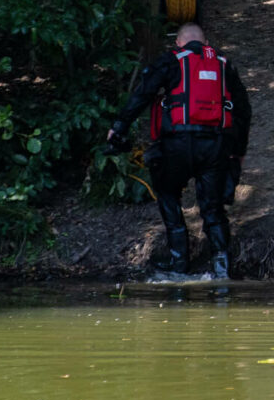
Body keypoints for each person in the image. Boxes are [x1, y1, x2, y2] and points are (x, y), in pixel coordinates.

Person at [106, 23, 252, 277]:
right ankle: (221, 266)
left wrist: (119, 127)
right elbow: (243, 109)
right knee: (213, 207)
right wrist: (238, 151)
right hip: (215, 146)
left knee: (167, 194)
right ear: (205, 43)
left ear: (179, 42)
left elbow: (142, 94)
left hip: (176, 145)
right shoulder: (222, 64)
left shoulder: (171, 61)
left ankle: (178, 263)